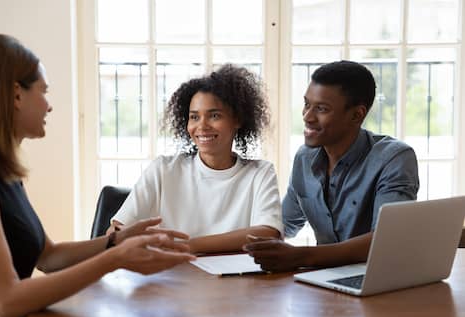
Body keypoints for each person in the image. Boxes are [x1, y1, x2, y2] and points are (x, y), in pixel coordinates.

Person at [0, 34, 195, 317]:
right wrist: (114, 260)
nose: (49, 106)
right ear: (16, 95)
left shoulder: (3, 175)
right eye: (44, 92)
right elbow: (4, 303)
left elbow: (49, 257)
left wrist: (116, 241)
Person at [244, 60, 419, 271]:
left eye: (321, 109)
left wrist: (301, 256)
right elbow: (283, 223)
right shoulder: (305, 158)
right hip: (323, 281)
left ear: (357, 115)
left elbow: (386, 240)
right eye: (307, 104)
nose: (307, 117)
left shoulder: (394, 158)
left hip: (376, 279)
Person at [108, 64, 283, 254]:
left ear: (238, 120)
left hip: (236, 281)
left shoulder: (260, 173)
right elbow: (116, 231)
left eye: (214, 115)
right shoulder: (163, 170)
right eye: (194, 117)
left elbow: (268, 233)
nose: (202, 126)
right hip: (170, 277)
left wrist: (184, 246)